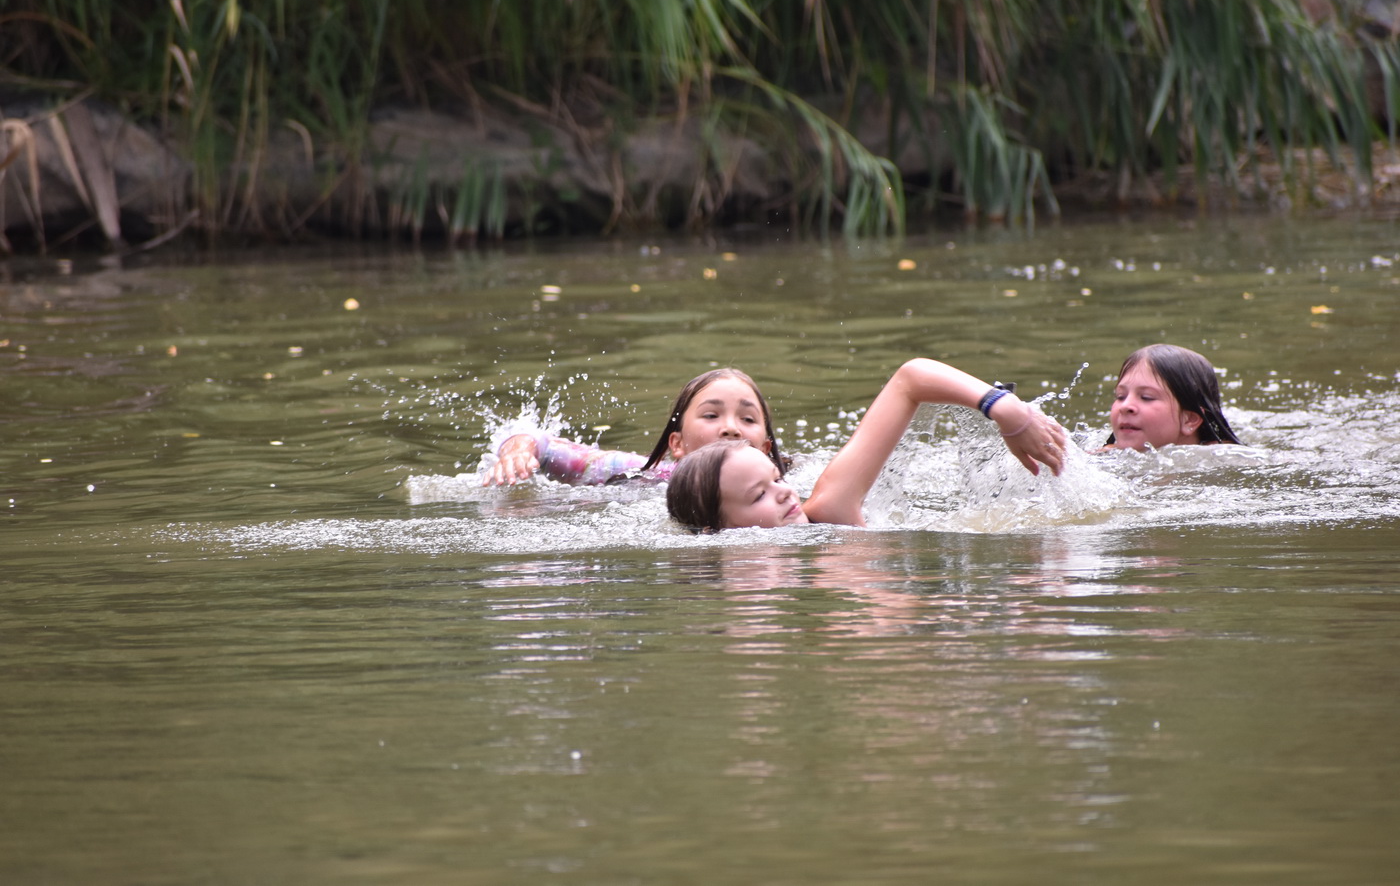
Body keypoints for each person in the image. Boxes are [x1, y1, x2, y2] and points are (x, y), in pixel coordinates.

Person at [667, 358, 1067, 531]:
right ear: (714, 529)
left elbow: (910, 379)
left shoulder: (827, 511)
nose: (785, 492)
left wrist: (1005, 409)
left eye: (776, 478)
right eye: (759, 495)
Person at [481, 368, 787, 486]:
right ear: (677, 444)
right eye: (711, 415)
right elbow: (542, 442)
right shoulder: (642, 476)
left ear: (765, 449)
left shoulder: (785, 494)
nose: (731, 428)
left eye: (748, 419)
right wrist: (518, 452)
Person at [1104, 344, 1242, 451]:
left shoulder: (1223, 459)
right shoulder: (1103, 458)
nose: (1125, 406)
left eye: (1146, 397)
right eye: (1121, 396)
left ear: (1189, 420)